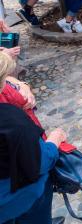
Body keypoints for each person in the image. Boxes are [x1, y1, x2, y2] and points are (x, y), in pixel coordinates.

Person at [0, 82, 67, 224]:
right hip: (14, 197)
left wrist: (18, 83)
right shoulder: (10, 119)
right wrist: (55, 140)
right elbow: (39, 162)